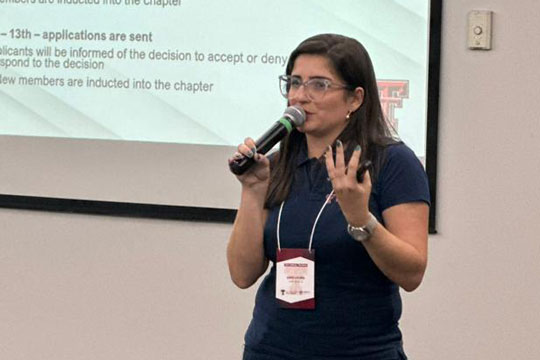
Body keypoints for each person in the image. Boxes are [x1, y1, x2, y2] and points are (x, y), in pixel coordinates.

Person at [227, 34, 430, 360]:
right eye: (294, 83)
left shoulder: (392, 164)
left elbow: (412, 274)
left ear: (355, 99)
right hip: (271, 349)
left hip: (359, 352)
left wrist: (361, 220)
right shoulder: (277, 164)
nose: (299, 97)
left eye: (318, 85)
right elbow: (242, 274)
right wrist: (251, 192)